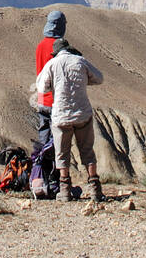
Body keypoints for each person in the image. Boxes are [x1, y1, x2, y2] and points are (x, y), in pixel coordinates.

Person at [36, 37, 105, 202]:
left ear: (56, 52)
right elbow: (99, 78)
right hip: (82, 113)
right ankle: (95, 188)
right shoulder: (80, 61)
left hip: (61, 115)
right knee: (87, 151)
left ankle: (65, 190)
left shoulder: (52, 64)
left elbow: (41, 87)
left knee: (62, 153)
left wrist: (54, 85)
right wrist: (82, 82)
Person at [34, 10, 65, 147]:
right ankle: (56, 167)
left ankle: (41, 166)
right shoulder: (59, 47)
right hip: (55, 100)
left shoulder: (40, 46)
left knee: (43, 136)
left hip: (42, 99)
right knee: (57, 140)